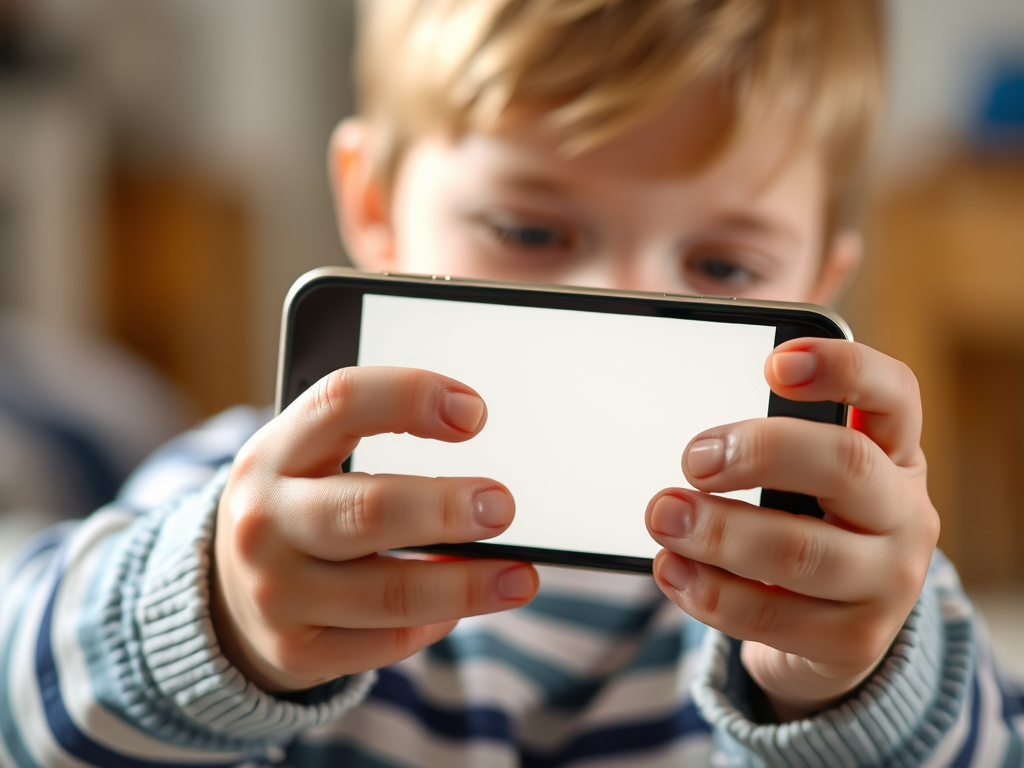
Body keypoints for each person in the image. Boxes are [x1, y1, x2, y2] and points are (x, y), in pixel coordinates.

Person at [4, 1, 1023, 766]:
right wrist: (219, 623)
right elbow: (21, 703)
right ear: (374, 206)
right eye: (532, 232)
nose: (621, 314)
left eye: (722, 268)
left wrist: (848, 693)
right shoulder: (258, 503)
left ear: (812, 287)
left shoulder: (839, 573)